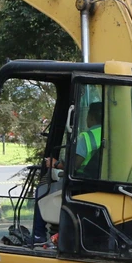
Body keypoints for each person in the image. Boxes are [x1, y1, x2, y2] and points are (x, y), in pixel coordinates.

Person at [31, 102, 104, 245]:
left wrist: (56, 164)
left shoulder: (87, 137)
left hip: (81, 185)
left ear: (92, 117)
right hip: (99, 184)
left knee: (41, 190)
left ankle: (38, 235)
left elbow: (74, 165)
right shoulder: (114, 135)